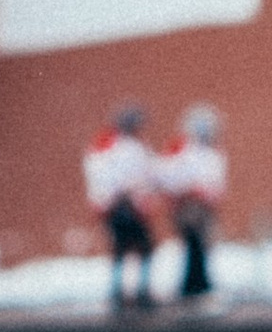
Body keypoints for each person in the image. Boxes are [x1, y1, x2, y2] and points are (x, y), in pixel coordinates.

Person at [82, 104, 159, 309]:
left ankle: (127, 290)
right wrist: (117, 198)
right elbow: (114, 177)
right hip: (123, 205)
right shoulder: (117, 146)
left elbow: (148, 173)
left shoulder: (130, 146)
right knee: (136, 246)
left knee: (132, 247)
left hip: (125, 204)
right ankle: (130, 291)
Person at [160, 104, 227, 302]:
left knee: (203, 245)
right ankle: (192, 285)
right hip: (189, 206)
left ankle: (200, 282)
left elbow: (216, 180)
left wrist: (211, 195)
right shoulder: (184, 152)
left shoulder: (212, 153)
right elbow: (172, 177)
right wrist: (189, 190)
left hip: (205, 207)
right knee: (194, 244)